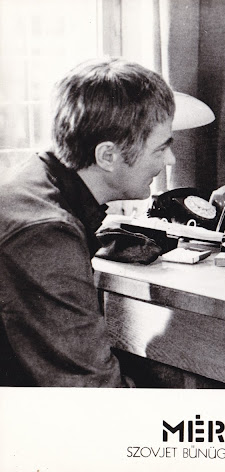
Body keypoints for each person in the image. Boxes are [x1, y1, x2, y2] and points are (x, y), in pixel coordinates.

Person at [0, 58, 176, 386]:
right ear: (107, 156)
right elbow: (93, 391)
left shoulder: (37, 178)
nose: (171, 160)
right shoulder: (46, 234)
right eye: (160, 149)